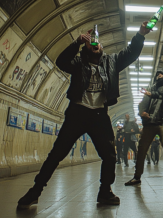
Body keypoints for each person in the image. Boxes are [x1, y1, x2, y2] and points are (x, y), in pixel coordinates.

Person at [17, 22, 151, 208]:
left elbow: (131, 53)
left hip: (99, 115)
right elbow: (61, 62)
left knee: (109, 156)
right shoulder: (78, 63)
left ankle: (105, 192)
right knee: (56, 154)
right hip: (77, 113)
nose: (96, 45)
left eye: (98, 43)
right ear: (86, 47)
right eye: (91, 43)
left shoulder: (111, 62)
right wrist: (77, 42)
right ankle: (35, 191)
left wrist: (141, 34)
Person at [125, 68, 163, 186]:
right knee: (142, 149)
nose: (159, 75)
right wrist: (142, 113)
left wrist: (152, 94)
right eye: (157, 74)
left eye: (162, 73)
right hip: (150, 123)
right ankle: (137, 177)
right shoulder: (150, 89)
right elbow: (142, 105)